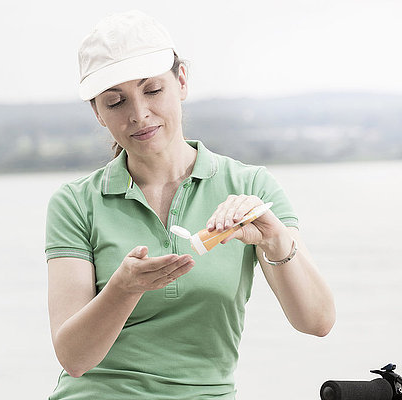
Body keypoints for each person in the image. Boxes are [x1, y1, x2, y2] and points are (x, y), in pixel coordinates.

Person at [45, 10, 335, 399]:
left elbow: (317, 322)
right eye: (116, 102)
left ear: (181, 81)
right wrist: (123, 289)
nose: (139, 114)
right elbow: (74, 359)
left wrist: (275, 240)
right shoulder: (76, 203)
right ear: (98, 112)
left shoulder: (250, 186)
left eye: (152, 90)